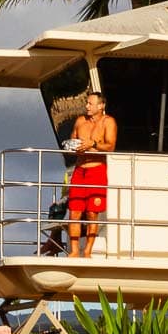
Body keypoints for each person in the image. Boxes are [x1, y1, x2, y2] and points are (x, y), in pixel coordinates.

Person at [67, 91, 118, 258]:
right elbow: (71, 141)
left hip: (97, 169)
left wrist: (93, 144)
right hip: (79, 169)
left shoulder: (108, 122)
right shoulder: (80, 121)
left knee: (92, 213)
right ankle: (74, 251)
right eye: (87, 103)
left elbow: (110, 146)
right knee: (74, 212)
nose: (87, 106)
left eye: (90, 103)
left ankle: (88, 250)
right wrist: (74, 146)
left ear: (101, 105)